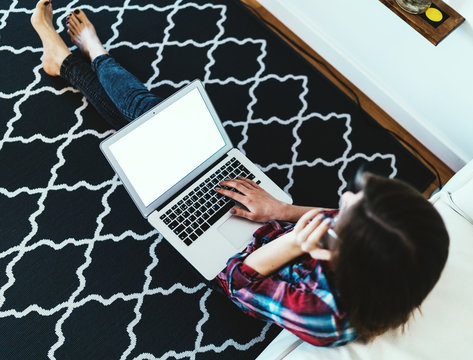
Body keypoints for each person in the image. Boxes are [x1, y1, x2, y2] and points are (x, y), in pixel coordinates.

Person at [31, 1, 450, 347]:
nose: (338, 203)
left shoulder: (322, 315)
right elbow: (335, 218)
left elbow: (238, 283)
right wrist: (281, 209)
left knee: (142, 121)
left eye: (345, 213)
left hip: (243, 262)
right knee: (153, 123)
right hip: (273, 227)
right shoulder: (391, 256)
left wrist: (289, 244)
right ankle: (74, 58)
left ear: (341, 251)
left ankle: (73, 56)